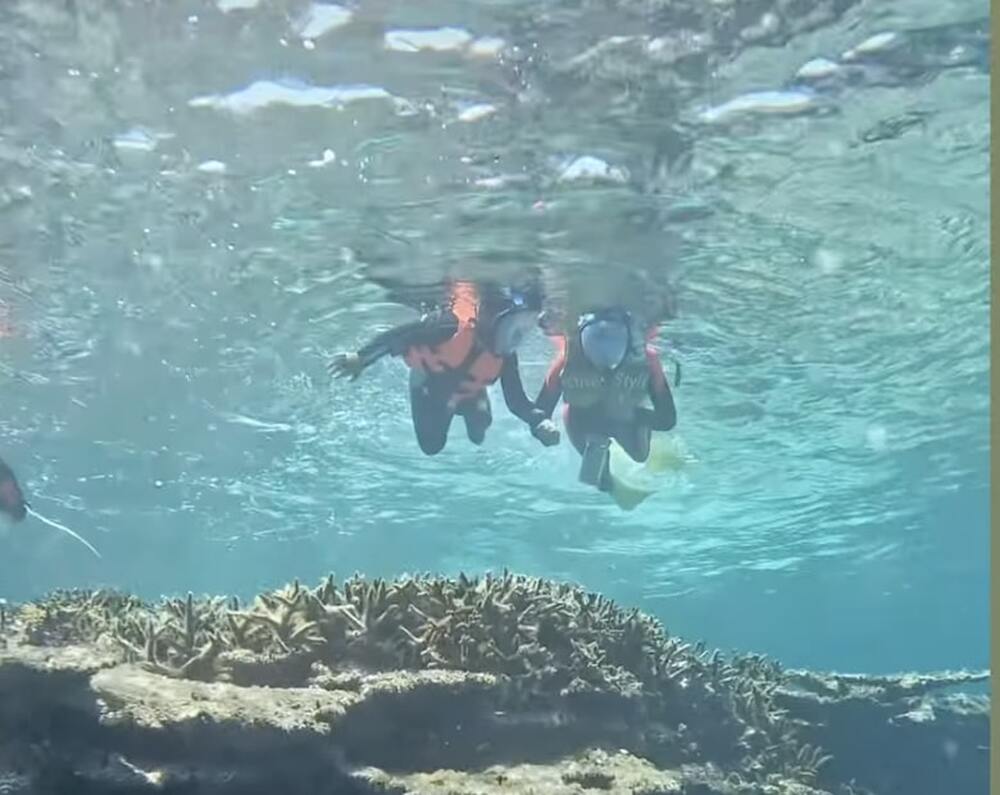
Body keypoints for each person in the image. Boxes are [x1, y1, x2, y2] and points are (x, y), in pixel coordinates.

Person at [329, 280, 560, 455]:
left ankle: (472, 407)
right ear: (490, 317)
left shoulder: (505, 355)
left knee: (479, 431)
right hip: (428, 388)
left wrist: (538, 422)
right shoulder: (448, 325)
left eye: (523, 331)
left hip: (467, 392)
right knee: (432, 446)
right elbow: (400, 336)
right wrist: (361, 358)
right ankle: (459, 406)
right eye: (514, 328)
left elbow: (516, 401)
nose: (516, 338)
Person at [529, 307, 677, 491]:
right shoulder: (566, 359)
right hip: (586, 417)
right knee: (600, 477)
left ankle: (616, 444)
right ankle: (603, 470)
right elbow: (541, 412)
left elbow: (667, 418)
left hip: (623, 416)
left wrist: (637, 418)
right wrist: (544, 428)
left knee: (639, 455)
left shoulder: (647, 358)